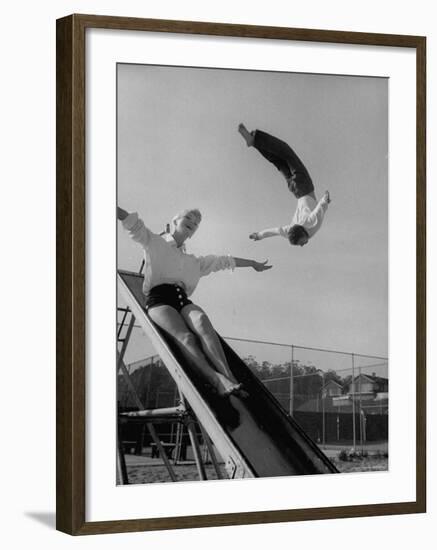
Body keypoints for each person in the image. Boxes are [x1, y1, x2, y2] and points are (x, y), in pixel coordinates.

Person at [117, 205, 272, 398]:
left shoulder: (193, 262)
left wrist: (253, 264)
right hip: (159, 300)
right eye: (188, 218)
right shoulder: (155, 242)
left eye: (196, 223)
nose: (193, 223)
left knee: (201, 321)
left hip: (182, 301)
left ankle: (229, 376)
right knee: (187, 338)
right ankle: (217, 380)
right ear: (175, 221)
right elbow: (133, 223)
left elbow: (223, 260)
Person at [238, 124, 331, 247]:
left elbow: (319, 211)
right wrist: (259, 235)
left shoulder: (311, 226)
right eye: (301, 244)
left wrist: (325, 199)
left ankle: (255, 139)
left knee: (287, 153)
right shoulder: (290, 229)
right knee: (278, 162)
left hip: (304, 186)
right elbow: (275, 231)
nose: (302, 245)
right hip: (294, 190)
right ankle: (254, 143)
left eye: (300, 243)